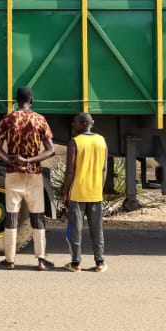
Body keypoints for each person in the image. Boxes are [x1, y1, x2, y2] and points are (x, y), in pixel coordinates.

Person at [0, 86, 56, 270]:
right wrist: (29, 161)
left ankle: (10, 260)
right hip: (33, 173)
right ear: (32, 100)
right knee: (37, 216)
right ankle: (41, 259)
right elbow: (50, 150)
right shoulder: (40, 120)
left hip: (13, 174)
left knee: (11, 215)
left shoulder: (8, 119)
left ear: (16, 100)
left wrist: (13, 162)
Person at [61, 113, 109, 272]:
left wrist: (65, 192)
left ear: (82, 124)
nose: (73, 125)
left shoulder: (75, 142)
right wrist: (99, 187)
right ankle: (100, 262)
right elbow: (104, 169)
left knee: (76, 228)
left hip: (78, 192)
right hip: (95, 192)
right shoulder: (102, 141)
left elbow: (70, 172)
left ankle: (75, 263)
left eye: (74, 123)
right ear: (92, 123)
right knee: (97, 228)